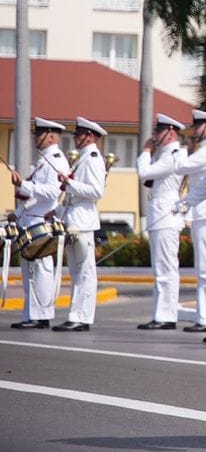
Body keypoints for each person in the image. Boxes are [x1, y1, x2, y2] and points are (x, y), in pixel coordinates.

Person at [10, 118, 68, 329]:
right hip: (30, 219)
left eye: (39, 134)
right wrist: (17, 212)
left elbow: (53, 192)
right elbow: (34, 193)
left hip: (40, 221)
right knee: (30, 272)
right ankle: (31, 314)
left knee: (41, 271)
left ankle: (41, 315)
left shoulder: (56, 160)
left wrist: (23, 184)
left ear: (51, 136)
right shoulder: (44, 160)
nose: (35, 137)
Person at [136, 112, 190, 329]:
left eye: (159, 130)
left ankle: (167, 316)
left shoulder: (174, 155)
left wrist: (146, 151)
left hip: (166, 216)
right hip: (160, 215)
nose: (155, 134)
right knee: (160, 269)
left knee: (166, 269)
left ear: (170, 133)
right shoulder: (166, 154)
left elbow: (144, 173)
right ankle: (161, 314)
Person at [54, 117, 108, 332]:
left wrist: (70, 183)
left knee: (85, 272)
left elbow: (97, 191)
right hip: (74, 217)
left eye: (79, 134)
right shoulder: (83, 158)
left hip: (84, 221)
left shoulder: (93, 158)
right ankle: (76, 314)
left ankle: (82, 317)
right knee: (76, 271)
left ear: (90, 136)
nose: (75, 138)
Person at [176, 108, 206, 333]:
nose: (195, 130)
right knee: (203, 268)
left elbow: (181, 166)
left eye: (198, 126)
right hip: (201, 214)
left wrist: (180, 147)